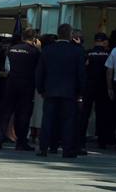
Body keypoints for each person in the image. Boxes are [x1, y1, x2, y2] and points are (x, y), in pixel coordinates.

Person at [34, 23, 86, 158]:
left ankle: (43, 147)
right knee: (68, 121)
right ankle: (67, 149)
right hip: (70, 91)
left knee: (47, 120)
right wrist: (81, 92)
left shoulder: (47, 50)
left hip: (50, 90)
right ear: (70, 35)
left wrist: (40, 89)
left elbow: (40, 71)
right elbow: (81, 73)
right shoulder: (77, 51)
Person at [0, 29, 40, 151]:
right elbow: (39, 68)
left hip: (11, 83)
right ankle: (21, 142)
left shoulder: (11, 49)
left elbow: (7, 67)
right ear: (34, 38)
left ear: (22, 37)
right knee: (23, 114)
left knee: (5, 113)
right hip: (27, 84)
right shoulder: (34, 51)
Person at [80, 32, 113, 149]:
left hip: (88, 86)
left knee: (85, 113)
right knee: (102, 114)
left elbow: (83, 69)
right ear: (104, 41)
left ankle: (80, 138)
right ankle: (102, 140)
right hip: (103, 87)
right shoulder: (108, 54)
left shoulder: (88, 53)